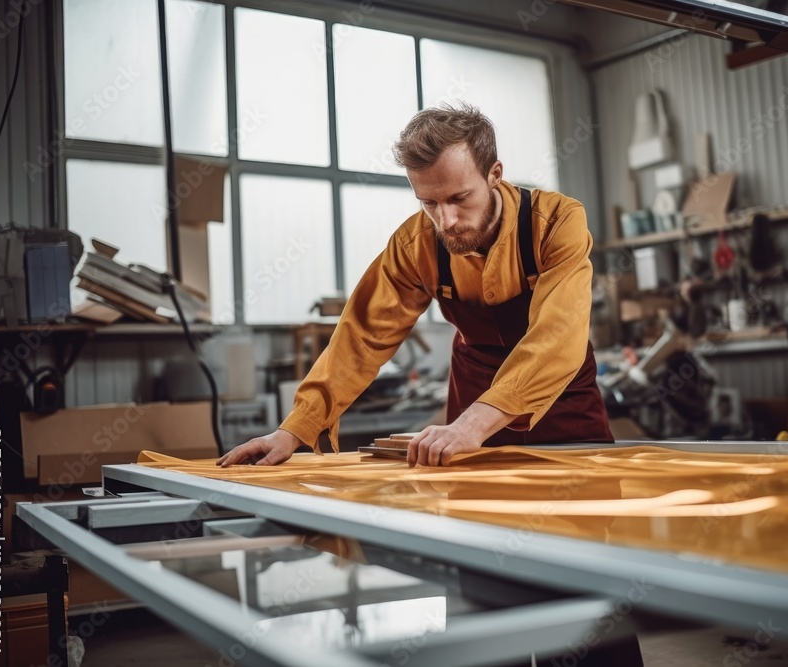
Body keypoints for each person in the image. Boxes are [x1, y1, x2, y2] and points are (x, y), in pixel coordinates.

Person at [218, 103, 612, 469]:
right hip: (469, 413)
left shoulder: (556, 222)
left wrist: (473, 424)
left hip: (563, 409)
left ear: (494, 174)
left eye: (460, 198)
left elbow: (557, 337)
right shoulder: (415, 244)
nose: (447, 221)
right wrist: (295, 428)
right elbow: (361, 338)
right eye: (429, 202)